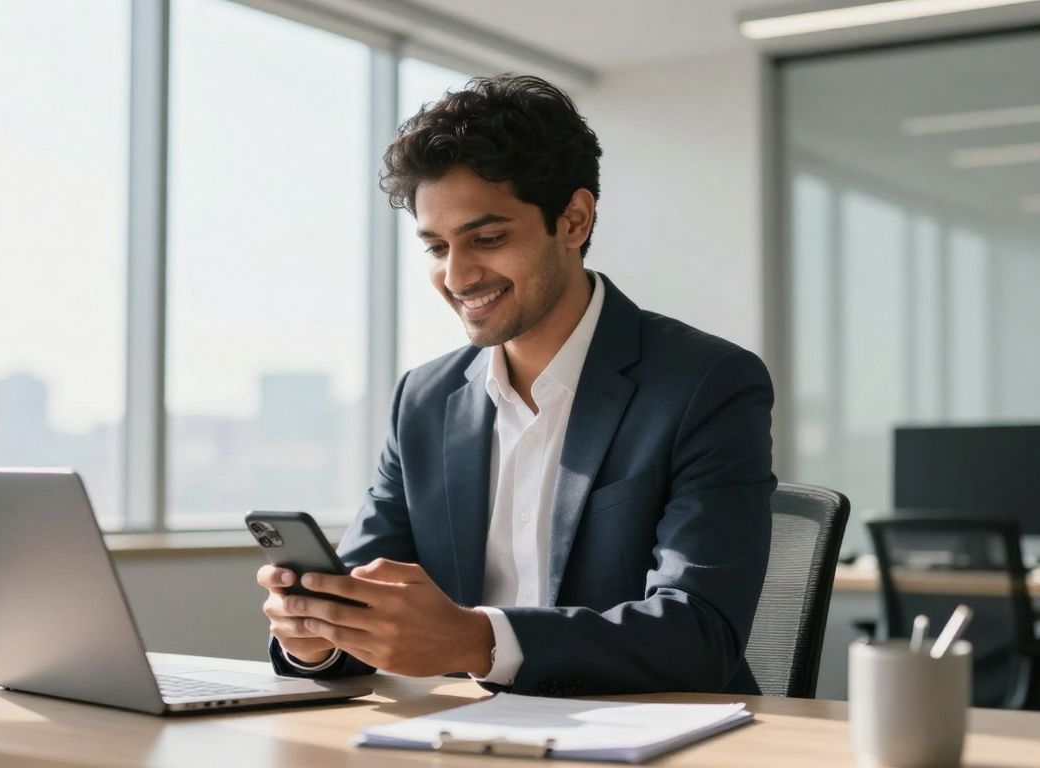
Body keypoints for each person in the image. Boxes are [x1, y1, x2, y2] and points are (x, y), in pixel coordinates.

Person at [256, 74, 775, 696]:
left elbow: (701, 633)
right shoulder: (422, 399)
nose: (456, 275)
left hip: (653, 737)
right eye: (436, 247)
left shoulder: (705, 383)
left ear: (574, 220)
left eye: (488, 238)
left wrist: (478, 639)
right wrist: (315, 636)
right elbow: (368, 602)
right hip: (465, 738)